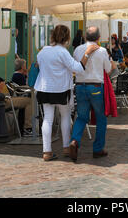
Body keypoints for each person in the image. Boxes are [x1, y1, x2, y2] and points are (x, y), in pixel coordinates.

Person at [34, 25, 98, 161]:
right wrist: (87, 53)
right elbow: (78, 68)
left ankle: (47, 151)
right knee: (65, 117)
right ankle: (66, 148)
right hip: (61, 89)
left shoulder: (43, 50)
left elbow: (37, 64)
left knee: (47, 119)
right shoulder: (62, 52)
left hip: (44, 88)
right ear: (67, 38)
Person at [69, 27, 112, 161]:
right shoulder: (102, 50)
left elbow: (75, 66)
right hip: (96, 86)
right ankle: (98, 149)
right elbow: (108, 70)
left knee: (81, 117)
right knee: (101, 118)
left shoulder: (77, 50)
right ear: (98, 38)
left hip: (81, 86)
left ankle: (75, 141)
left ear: (85, 37)